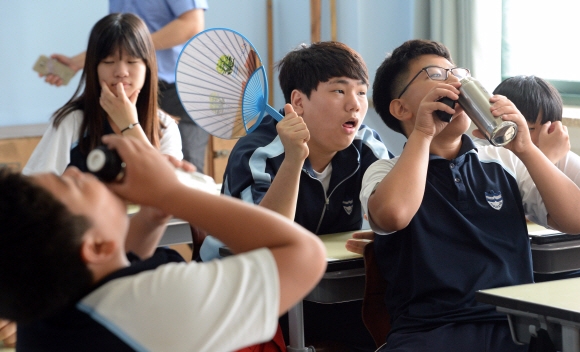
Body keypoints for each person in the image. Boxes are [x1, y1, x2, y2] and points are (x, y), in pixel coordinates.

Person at [0, 134, 327, 351]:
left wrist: (151, 215)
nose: (77, 172)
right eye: (73, 186)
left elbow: (111, 273)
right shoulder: (157, 304)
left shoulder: (41, 308)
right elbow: (305, 255)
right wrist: (172, 194)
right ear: (96, 246)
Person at [361, 39, 580, 351]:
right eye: (435, 74)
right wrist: (424, 133)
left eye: (456, 72)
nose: (454, 81)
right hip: (428, 332)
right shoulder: (384, 171)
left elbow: (574, 219)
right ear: (401, 107)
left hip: (515, 327)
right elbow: (394, 214)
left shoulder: (503, 161)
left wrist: (526, 148)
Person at [202, 41, 392, 351]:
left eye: (361, 91)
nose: (355, 104)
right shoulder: (258, 152)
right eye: (339, 91)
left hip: (329, 291)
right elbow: (263, 241)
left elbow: (399, 213)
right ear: (298, 102)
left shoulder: (368, 147)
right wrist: (293, 159)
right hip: (247, 294)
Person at [40, 0, 209, 172]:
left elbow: (192, 24)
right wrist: (75, 62)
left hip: (178, 89)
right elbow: (113, 42)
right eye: (108, 61)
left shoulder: (165, 125)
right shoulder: (72, 122)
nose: (121, 72)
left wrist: (130, 126)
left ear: (147, 65)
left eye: (132, 61)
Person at [493, 75, 580, 282]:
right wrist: (546, 159)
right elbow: (519, 206)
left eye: (549, 128)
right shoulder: (492, 154)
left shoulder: (561, 154)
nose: (540, 137)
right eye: (530, 128)